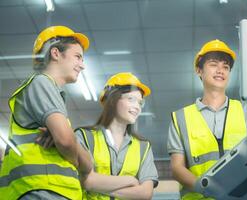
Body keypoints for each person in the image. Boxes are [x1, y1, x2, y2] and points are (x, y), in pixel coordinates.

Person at [0, 26, 93, 200]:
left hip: (48, 192)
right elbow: (66, 142)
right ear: (56, 53)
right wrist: (71, 152)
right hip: (39, 191)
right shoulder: (41, 83)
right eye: (78, 57)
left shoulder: (54, 98)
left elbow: (88, 165)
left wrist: (67, 141)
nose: (82, 65)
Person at [167, 39, 247, 200]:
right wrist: (207, 189)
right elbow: (176, 167)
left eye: (226, 67)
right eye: (214, 64)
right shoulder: (180, 117)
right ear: (199, 71)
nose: (220, 70)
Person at [75, 72, 159, 200]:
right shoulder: (85, 137)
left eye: (140, 102)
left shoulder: (143, 147)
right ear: (112, 100)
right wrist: (130, 180)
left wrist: (97, 185)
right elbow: (83, 180)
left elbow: (145, 194)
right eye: (131, 99)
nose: (137, 107)